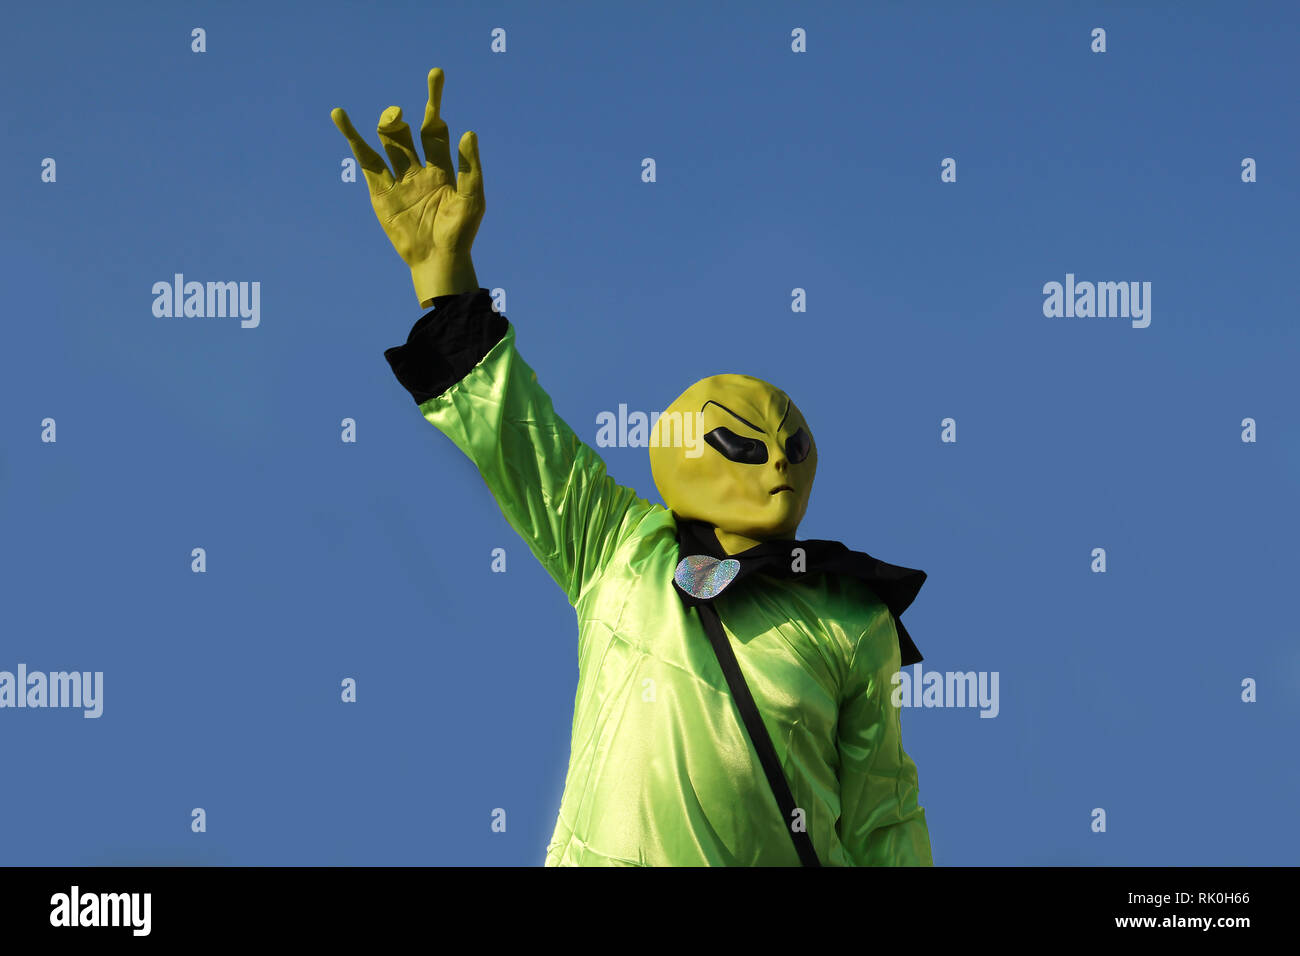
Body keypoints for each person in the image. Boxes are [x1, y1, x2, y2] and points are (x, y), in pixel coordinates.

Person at [331, 67, 933, 866]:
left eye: (792, 448)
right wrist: (443, 279)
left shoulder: (851, 618)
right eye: (745, 447)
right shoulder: (622, 551)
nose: (778, 467)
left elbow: (883, 822)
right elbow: (520, 437)